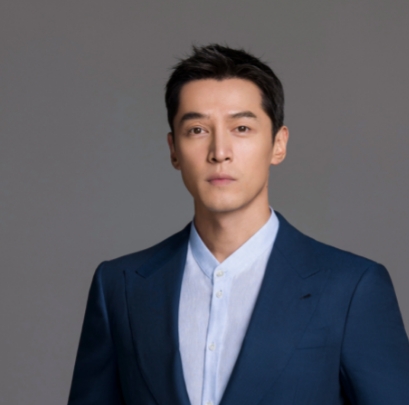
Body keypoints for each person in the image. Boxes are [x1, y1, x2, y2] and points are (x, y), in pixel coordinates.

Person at [68, 44, 409, 405]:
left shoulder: (352, 288)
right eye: (197, 130)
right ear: (173, 149)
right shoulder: (119, 287)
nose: (220, 152)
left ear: (278, 144)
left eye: (242, 128)